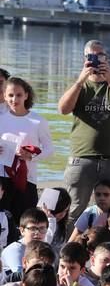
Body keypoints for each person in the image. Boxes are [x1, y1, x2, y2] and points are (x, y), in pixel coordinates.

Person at [58, 40, 110, 225]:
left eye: (100, 56)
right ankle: (70, 251)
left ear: (107, 59)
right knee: (75, 210)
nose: (95, 61)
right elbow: (63, 109)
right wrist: (80, 80)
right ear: (84, 59)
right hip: (82, 159)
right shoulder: (78, 87)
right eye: (91, 57)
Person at [0, 77, 55, 222]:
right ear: (4, 96)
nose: (14, 99)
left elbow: (49, 149)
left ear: (26, 95)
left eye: (18, 95)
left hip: (27, 179)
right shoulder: (1, 119)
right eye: (10, 95)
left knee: (25, 222)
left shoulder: (37, 121)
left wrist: (31, 157)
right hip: (2, 178)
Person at [2, 208, 49, 273]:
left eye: (42, 228)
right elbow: (23, 277)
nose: (37, 232)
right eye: (33, 228)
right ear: (22, 230)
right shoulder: (15, 250)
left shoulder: (44, 248)